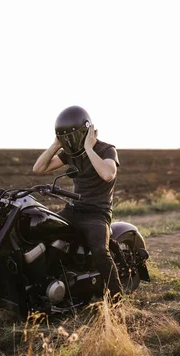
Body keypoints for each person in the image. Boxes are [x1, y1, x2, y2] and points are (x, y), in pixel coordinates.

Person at [32, 105, 123, 299]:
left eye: (74, 137)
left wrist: (89, 148)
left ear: (88, 131)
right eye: (67, 139)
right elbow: (38, 168)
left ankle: (117, 300)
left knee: (100, 251)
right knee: (43, 230)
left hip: (97, 213)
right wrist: (56, 145)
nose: (72, 143)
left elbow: (108, 174)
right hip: (74, 209)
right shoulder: (69, 154)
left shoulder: (107, 149)